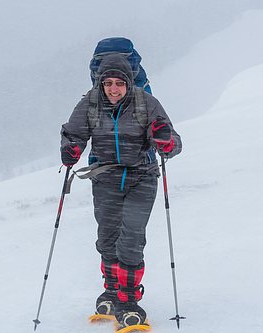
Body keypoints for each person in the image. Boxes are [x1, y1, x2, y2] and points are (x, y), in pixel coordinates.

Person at [60, 52, 182, 329]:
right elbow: (73, 135)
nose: (114, 88)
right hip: (105, 179)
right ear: (100, 84)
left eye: (119, 83)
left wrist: (165, 141)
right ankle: (112, 290)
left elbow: (174, 144)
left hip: (142, 178)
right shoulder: (89, 104)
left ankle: (128, 300)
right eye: (108, 83)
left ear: (129, 83)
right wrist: (70, 151)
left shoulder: (147, 104)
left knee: (130, 240)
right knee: (106, 238)